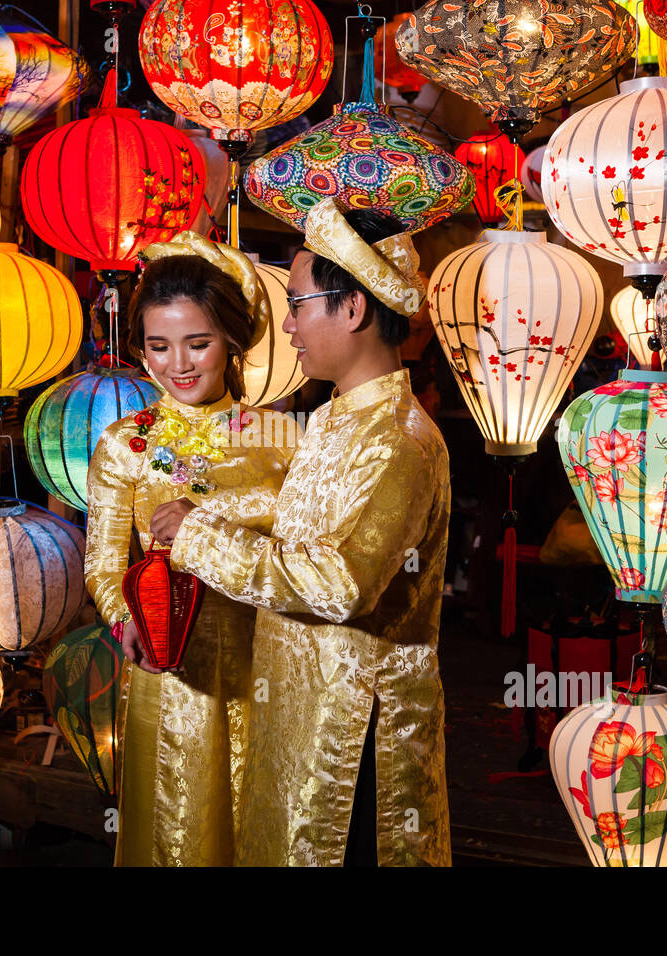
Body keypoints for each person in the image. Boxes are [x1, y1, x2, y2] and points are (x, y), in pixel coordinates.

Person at [150, 198, 452, 866]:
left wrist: (199, 537)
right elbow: (294, 508)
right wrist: (207, 508)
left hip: (354, 728)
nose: (286, 327)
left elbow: (340, 582)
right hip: (301, 702)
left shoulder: (398, 441)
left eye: (298, 303)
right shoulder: (340, 419)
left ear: (353, 308)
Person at [84, 232, 297, 867]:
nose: (178, 364)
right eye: (157, 346)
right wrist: (126, 622)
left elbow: (306, 556)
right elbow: (102, 565)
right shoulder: (126, 444)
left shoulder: (283, 438)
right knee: (176, 835)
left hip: (269, 668)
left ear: (232, 339)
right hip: (168, 673)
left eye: (197, 343)